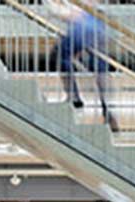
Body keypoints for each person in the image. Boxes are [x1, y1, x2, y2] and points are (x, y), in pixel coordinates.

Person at [47, 0, 118, 131]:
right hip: (97, 24)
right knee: (99, 66)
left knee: (61, 56)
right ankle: (107, 108)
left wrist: (69, 13)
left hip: (82, 25)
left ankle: (74, 97)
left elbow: (64, 13)